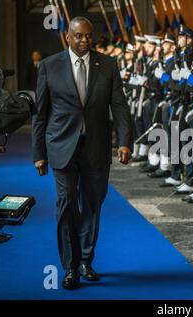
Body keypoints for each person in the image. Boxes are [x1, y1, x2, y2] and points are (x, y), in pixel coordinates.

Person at [32, 17, 132, 290]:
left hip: (96, 148)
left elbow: (120, 106)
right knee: (66, 203)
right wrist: (38, 153)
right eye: (79, 36)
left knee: (92, 204)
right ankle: (70, 266)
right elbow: (40, 114)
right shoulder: (49, 66)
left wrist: (125, 142)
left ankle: (86, 259)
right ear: (68, 37)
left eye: (89, 36)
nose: (85, 40)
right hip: (61, 146)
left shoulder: (108, 64)